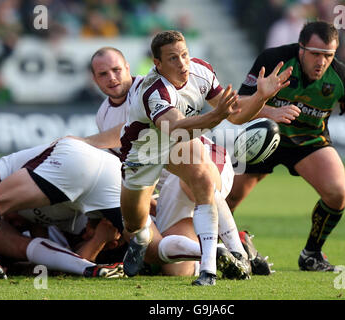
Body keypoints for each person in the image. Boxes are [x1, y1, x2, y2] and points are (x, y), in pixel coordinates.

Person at [86, 33, 291, 286]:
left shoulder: (200, 71)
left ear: (127, 67)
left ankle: (218, 264)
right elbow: (176, 127)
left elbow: (234, 116)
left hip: (191, 152)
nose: (183, 63)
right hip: (147, 156)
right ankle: (143, 240)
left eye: (184, 55)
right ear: (157, 64)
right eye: (173, 58)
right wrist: (216, 116)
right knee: (146, 238)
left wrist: (261, 97)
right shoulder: (153, 90)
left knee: (200, 179)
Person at [226, 21, 345, 271]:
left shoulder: (343, 76)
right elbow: (239, 104)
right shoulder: (273, 60)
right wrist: (270, 111)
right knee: (227, 197)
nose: (321, 62)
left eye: (328, 55)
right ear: (301, 48)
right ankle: (233, 246)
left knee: (337, 192)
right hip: (265, 138)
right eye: (315, 54)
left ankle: (311, 254)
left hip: (308, 141)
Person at [0, 138, 127, 279]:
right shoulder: (9, 176)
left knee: (19, 242)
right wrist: (98, 241)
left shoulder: (75, 219)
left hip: (79, 163)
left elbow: (45, 260)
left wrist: (98, 241)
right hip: (76, 161)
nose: (16, 224)